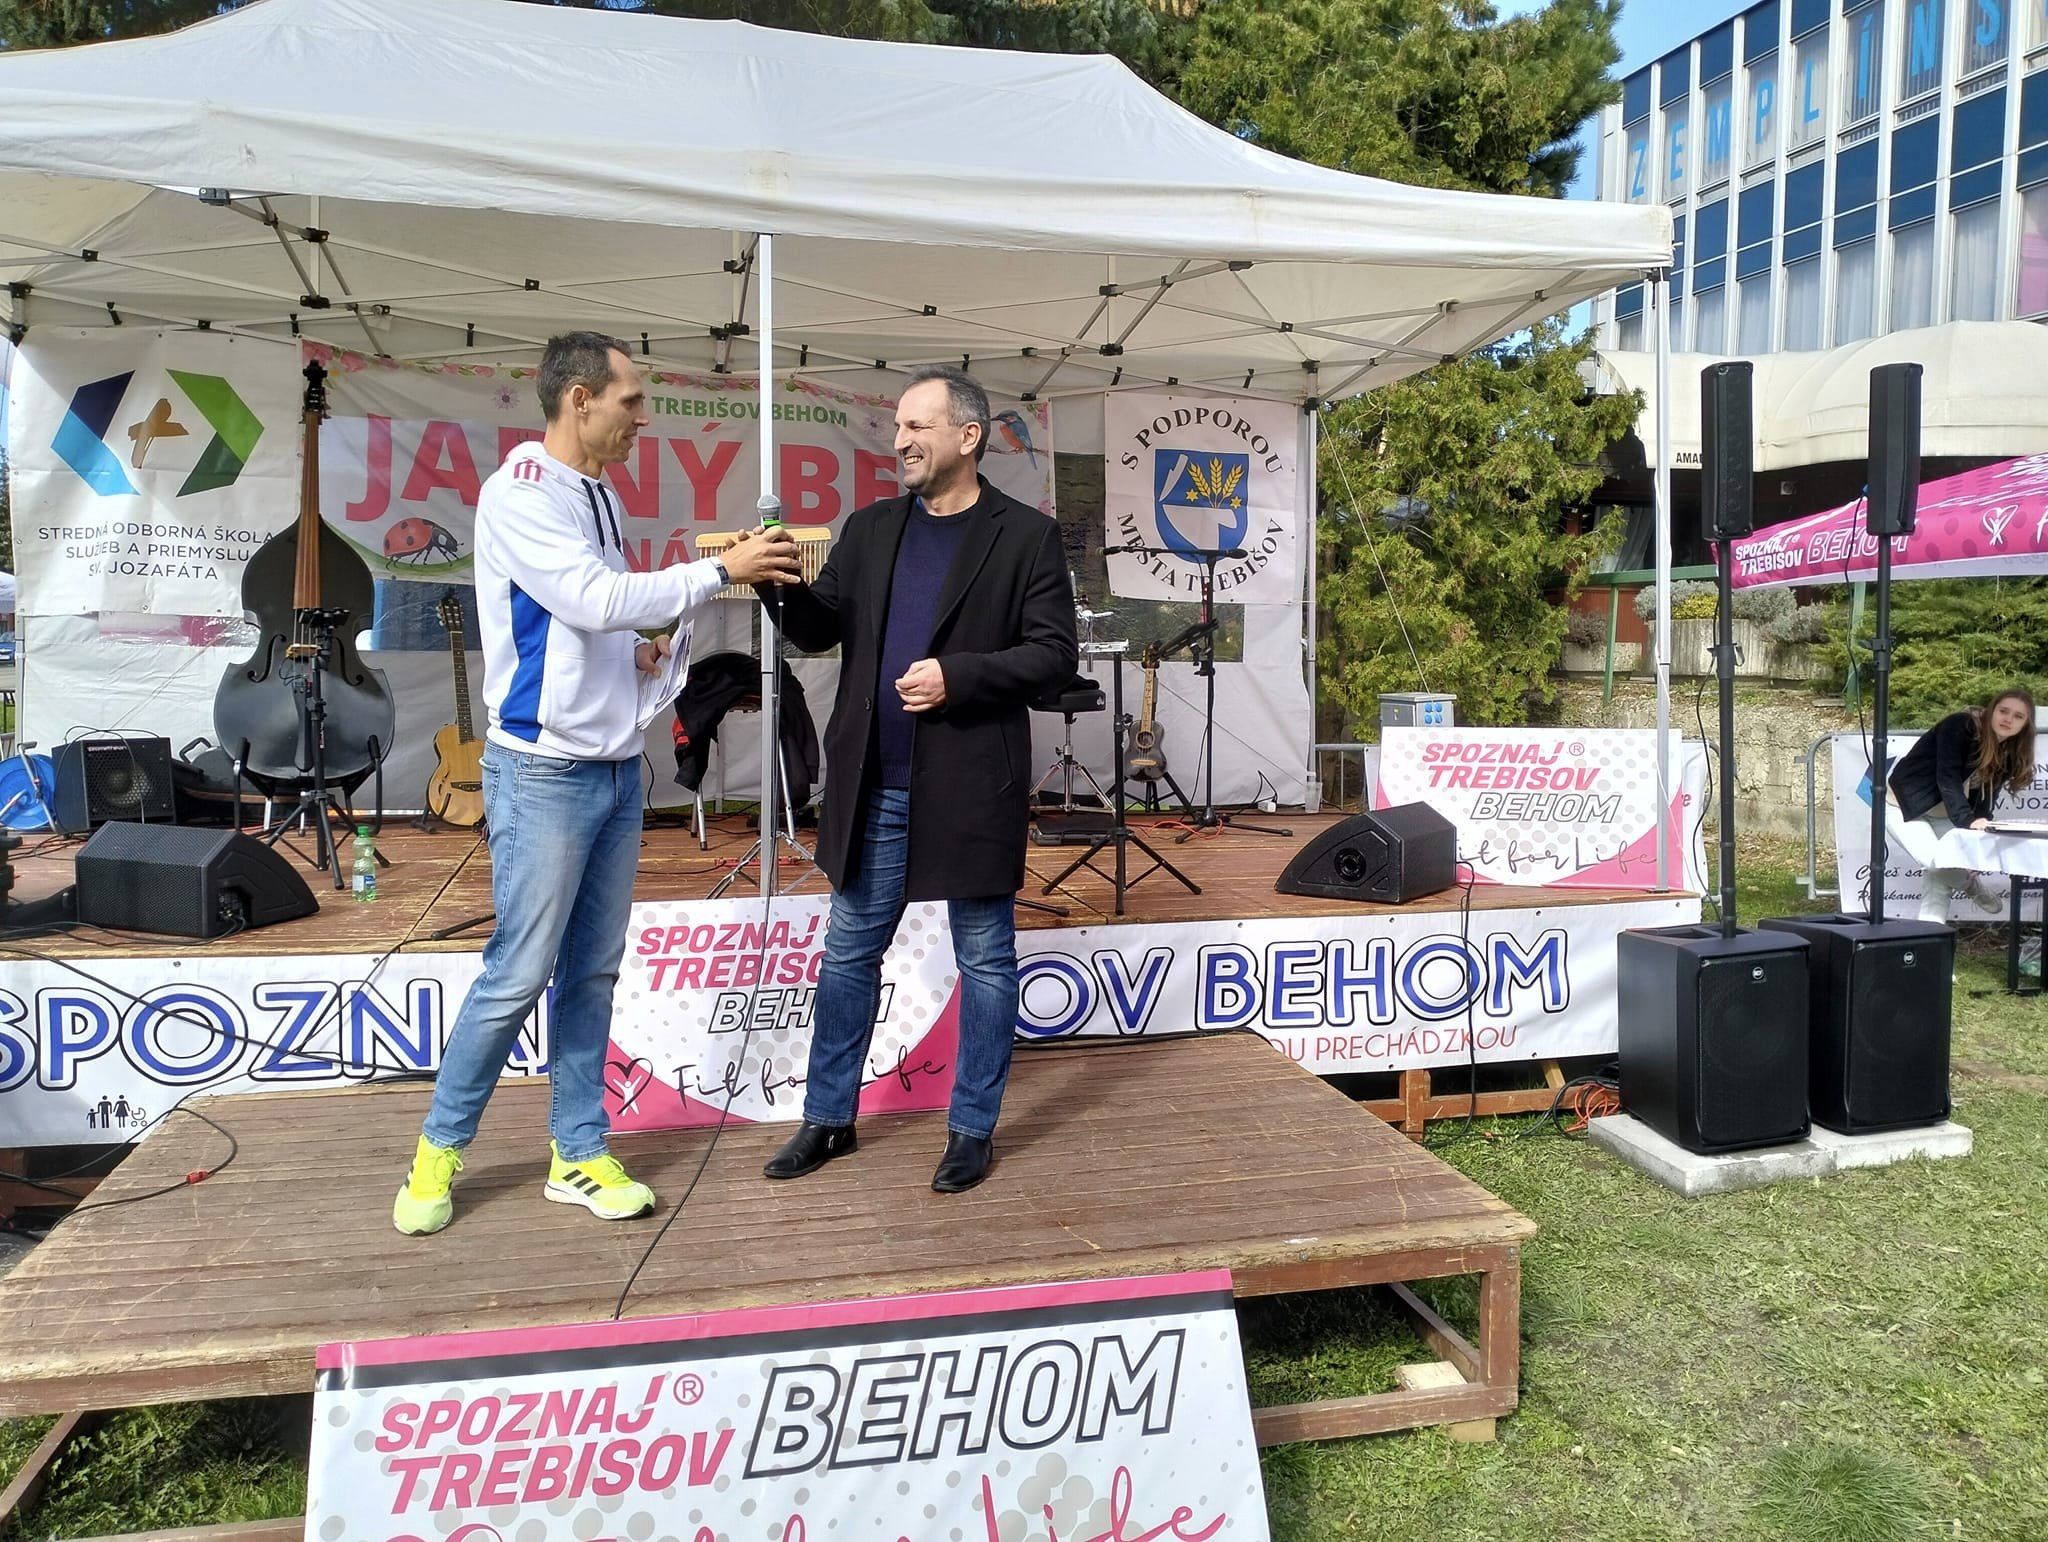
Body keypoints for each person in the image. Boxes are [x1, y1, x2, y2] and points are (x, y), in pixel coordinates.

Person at [393, 332, 799, 1236]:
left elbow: (591, 622)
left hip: (614, 771)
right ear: (580, 399)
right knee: (518, 973)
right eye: (631, 400)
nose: (642, 418)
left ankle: (577, 1151)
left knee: (593, 974)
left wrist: (639, 656)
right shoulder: (521, 491)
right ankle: (438, 1149)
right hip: (542, 772)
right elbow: (589, 599)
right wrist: (721, 570)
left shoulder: (600, 494)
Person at [753, 365, 1076, 1193]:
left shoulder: (1026, 536)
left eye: (916, 427)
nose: (898, 441)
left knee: (987, 962)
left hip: (972, 787)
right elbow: (819, 629)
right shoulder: (869, 528)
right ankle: (828, 1120)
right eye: (897, 427)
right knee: (848, 957)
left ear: (968, 437)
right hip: (875, 784)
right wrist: (774, 582)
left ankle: (971, 1131)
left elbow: (1052, 656)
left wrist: (957, 677)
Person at [1886, 687, 2037, 923]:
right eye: (2003, 711)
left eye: (2018, 716)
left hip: (1944, 813)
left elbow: (1986, 800)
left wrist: (1975, 836)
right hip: (1903, 805)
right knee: (1935, 861)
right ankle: (1970, 885)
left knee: (1939, 881)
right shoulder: (1960, 726)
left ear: (2026, 725)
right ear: (1991, 711)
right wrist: (1967, 822)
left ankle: (1932, 934)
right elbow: (1948, 778)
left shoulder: (2009, 752)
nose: (2008, 719)